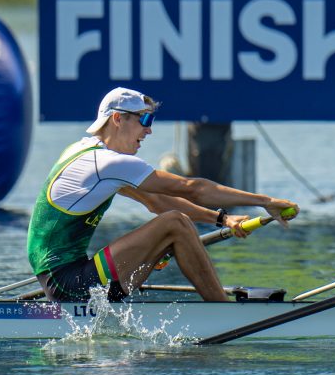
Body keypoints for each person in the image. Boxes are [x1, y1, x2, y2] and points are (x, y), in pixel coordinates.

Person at [27, 87, 299, 302]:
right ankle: (225, 315)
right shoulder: (106, 163)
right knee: (175, 223)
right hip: (70, 284)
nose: (149, 130)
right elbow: (193, 188)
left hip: (64, 279)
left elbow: (155, 201)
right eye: (144, 119)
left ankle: (216, 309)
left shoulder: (83, 152)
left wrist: (223, 219)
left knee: (171, 224)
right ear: (118, 119)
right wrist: (265, 201)